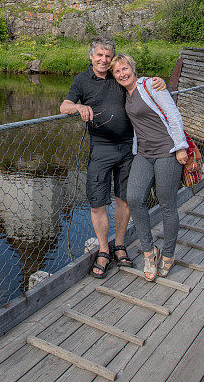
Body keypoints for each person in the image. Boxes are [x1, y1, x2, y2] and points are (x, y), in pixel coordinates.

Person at [60, 38, 166, 279]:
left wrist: (157, 81)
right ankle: (104, 250)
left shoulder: (118, 75)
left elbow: (138, 84)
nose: (104, 60)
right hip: (101, 148)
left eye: (108, 56)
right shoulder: (82, 80)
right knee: (97, 203)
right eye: (99, 55)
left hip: (128, 146)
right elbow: (64, 106)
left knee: (125, 199)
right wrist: (78, 108)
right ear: (91, 56)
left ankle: (119, 245)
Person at [110, 53, 188, 281]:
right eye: (117, 71)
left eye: (125, 69)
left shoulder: (150, 85)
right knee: (134, 198)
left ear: (133, 68)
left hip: (167, 151)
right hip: (143, 153)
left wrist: (180, 146)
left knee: (166, 204)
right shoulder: (126, 94)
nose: (122, 74)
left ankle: (169, 254)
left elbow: (173, 115)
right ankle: (149, 251)